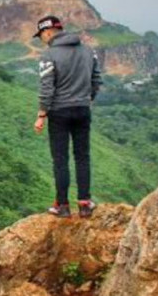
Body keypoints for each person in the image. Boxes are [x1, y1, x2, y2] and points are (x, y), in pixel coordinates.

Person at [33, 15, 102, 218]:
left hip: (59, 113)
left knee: (60, 159)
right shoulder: (88, 51)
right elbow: (96, 79)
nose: (41, 39)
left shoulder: (49, 55)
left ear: (47, 32)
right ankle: (84, 203)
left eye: (41, 35)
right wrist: (88, 99)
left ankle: (62, 206)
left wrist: (41, 115)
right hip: (82, 109)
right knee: (82, 157)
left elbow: (47, 88)